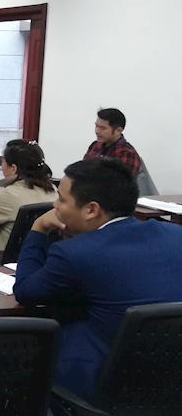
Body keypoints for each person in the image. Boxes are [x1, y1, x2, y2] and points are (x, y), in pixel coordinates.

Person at [14, 158, 182, 400]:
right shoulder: (176, 235)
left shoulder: (76, 253)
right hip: (169, 389)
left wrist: (38, 227)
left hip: (97, 390)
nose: (55, 205)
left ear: (91, 210)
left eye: (62, 199)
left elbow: (26, 290)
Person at [83, 108, 142, 177]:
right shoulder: (94, 145)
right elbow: (82, 171)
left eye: (103, 128)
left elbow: (119, 182)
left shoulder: (127, 153)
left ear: (118, 130)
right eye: (96, 126)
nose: (97, 131)